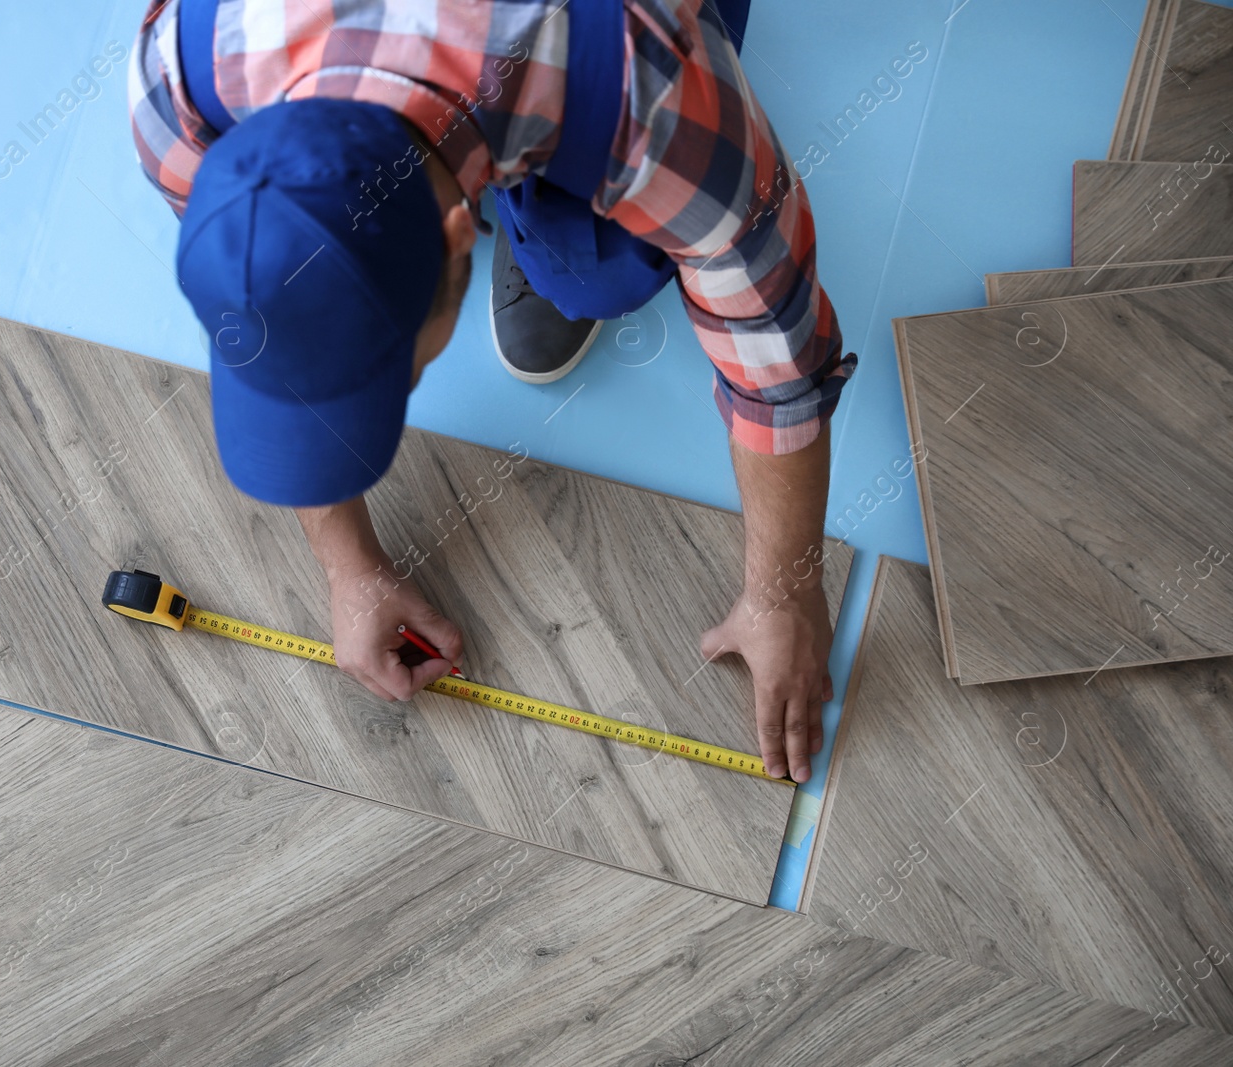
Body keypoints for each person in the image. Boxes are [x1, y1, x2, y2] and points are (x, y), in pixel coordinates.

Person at [127, 0, 856, 783]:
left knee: (602, 271)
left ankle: (545, 208)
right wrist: (349, 566)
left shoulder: (654, 101)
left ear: (457, 241)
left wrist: (783, 594)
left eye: (386, 382)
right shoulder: (179, 90)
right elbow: (271, 305)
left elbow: (776, 365)